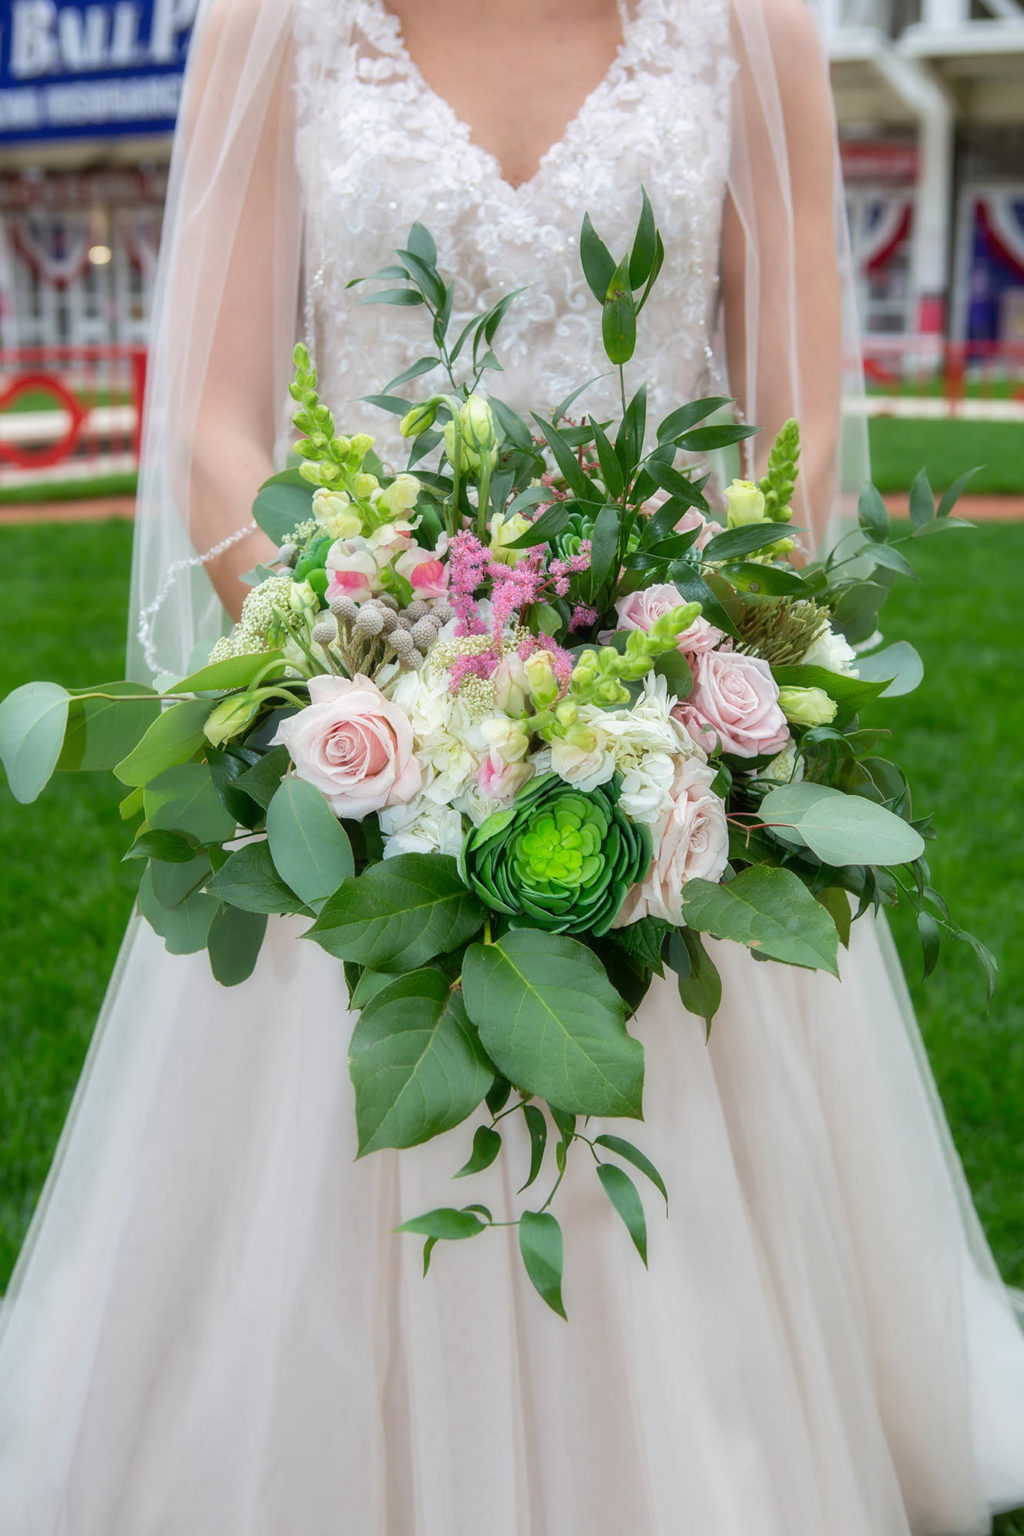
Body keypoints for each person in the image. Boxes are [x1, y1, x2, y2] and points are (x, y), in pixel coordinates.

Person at [1, 1, 1023, 1531]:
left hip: (655, 734)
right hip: (368, 731)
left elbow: (798, 422)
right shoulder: (271, 21)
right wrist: (367, 674)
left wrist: (680, 681)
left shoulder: (755, 25)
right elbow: (212, 424)